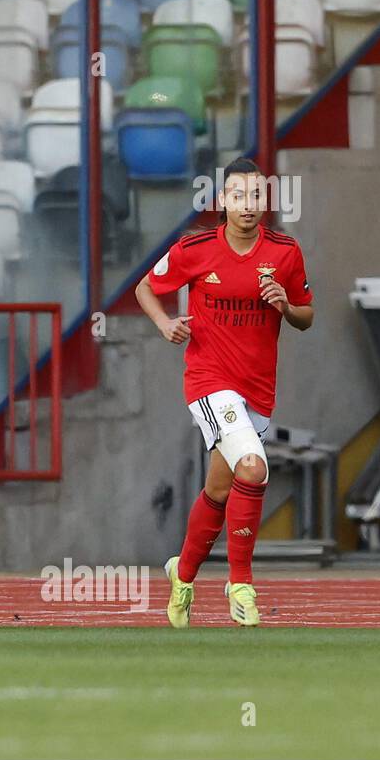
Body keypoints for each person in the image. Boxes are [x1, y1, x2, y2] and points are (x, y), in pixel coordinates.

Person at [135, 158, 314, 628]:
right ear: (222, 201)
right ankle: (241, 583)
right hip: (209, 382)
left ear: (266, 201)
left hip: (257, 388)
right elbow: (145, 288)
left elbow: (307, 315)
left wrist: (285, 305)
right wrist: (165, 324)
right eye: (238, 195)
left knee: (219, 487)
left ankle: (184, 574)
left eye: (256, 196)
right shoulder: (195, 248)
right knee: (253, 470)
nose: (248, 205)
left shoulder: (285, 252)